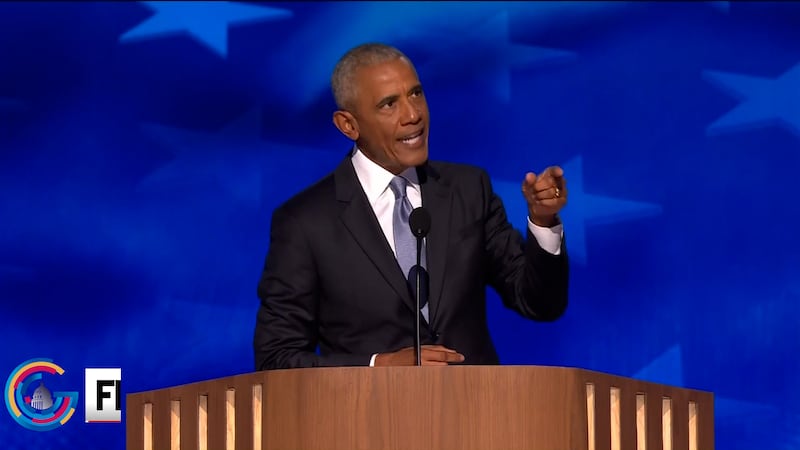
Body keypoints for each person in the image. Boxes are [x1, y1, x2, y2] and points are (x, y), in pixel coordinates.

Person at [253, 43, 569, 370]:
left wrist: (543, 223)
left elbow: (540, 303)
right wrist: (379, 367)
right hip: (367, 417)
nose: (413, 115)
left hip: (477, 412)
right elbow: (276, 358)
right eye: (389, 104)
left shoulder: (468, 189)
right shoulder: (306, 223)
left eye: (416, 94)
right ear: (348, 125)